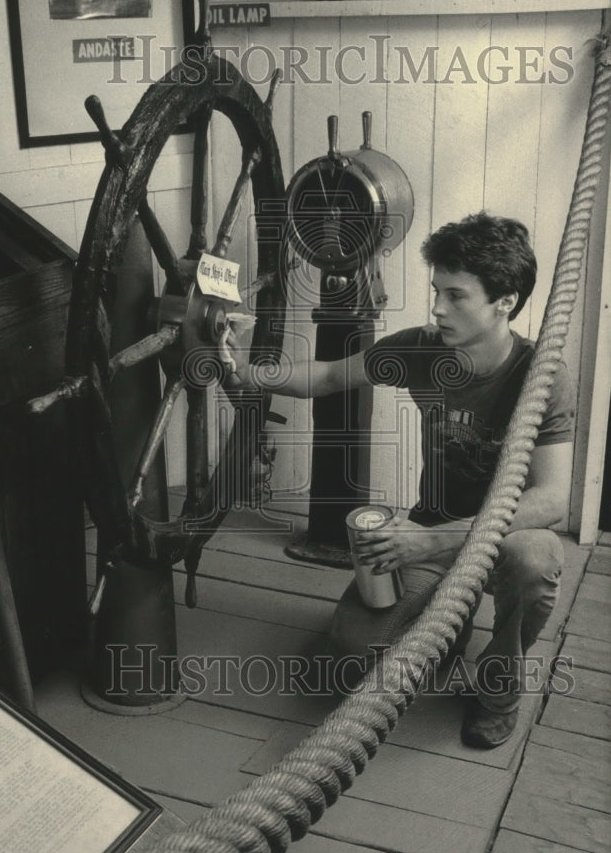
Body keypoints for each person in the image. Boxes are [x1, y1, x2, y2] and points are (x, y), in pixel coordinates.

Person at [225, 213, 574, 748]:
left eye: (456, 295)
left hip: (507, 534)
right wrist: (241, 368)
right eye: (438, 291)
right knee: (350, 653)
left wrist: (436, 538)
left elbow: (551, 500)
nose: (437, 307)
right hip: (431, 526)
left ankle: (498, 685)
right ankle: (449, 628)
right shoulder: (424, 348)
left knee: (536, 563)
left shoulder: (543, 374)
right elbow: (329, 375)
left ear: (505, 301)